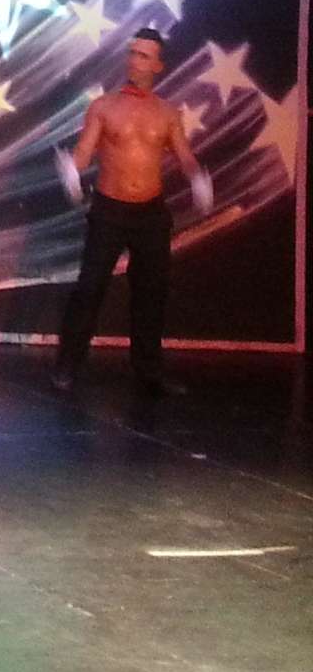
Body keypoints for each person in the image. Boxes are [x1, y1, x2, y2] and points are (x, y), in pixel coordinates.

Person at [53, 27, 213, 397]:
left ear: (158, 65)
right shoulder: (104, 106)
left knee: (151, 292)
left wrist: (198, 180)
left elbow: (185, 156)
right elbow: (84, 151)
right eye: (132, 53)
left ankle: (148, 371)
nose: (134, 61)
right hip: (109, 210)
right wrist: (72, 172)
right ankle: (67, 365)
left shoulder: (167, 113)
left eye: (143, 56)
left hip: (150, 215)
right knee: (90, 288)